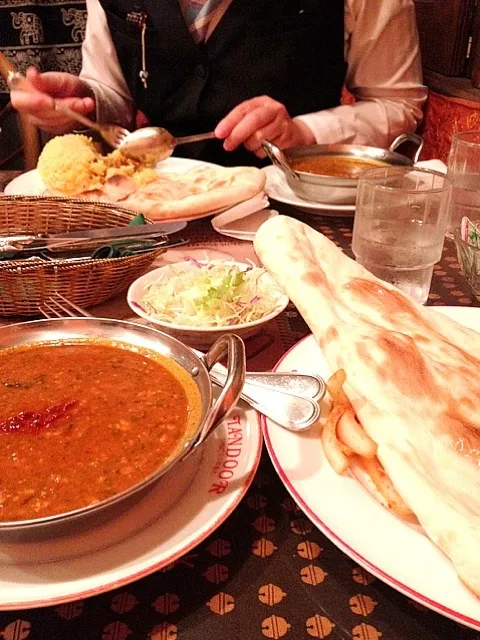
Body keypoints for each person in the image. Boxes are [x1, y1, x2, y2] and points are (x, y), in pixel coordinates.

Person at [11, 0, 427, 167]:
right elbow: (113, 93)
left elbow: (397, 104)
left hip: (299, 210)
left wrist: (302, 132)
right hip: (154, 211)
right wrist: (82, 101)